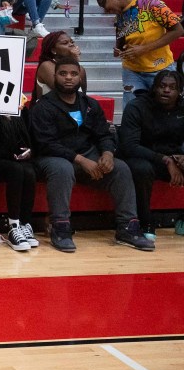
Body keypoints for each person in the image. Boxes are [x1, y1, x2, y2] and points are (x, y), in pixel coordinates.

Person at [31, 57, 154, 252]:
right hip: (54, 157)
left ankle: (127, 228)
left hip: (88, 154)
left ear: (80, 76)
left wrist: (107, 154)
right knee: (62, 169)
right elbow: (45, 144)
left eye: (73, 74)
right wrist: (81, 160)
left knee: (121, 168)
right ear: (54, 77)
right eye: (63, 74)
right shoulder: (43, 107)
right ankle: (60, 227)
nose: (69, 78)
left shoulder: (90, 104)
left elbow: (104, 134)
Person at [118, 69, 184, 240]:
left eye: (172, 87)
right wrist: (166, 160)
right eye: (162, 86)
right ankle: (145, 221)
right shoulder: (137, 106)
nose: (166, 90)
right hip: (141, 156)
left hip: (172, 157)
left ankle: (182, 219)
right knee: (142, 169)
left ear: (180, 92)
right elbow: (129, 146)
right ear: (154, 88)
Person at [97, 0, 183, 104]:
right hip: (132, 71)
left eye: (104, 5)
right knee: (131, 112)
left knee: (163, 112)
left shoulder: (152, 4)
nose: (106, 10)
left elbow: (178, 31)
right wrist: (119, 50)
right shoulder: (120, 16)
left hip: (160, 68)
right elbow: (122, 41)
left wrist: (143, 49)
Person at [0, 107, 38, 252]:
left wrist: (27, 152)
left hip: (13, 161)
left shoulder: (21, 111)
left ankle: (25, 224)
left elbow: (29, 142)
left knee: (29, 171)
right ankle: (13, 226)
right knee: (15, 169)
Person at [33, 31, 89, 100]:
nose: (71, 45)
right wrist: (74, 60)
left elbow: (82, 97)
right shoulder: (46, 66)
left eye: (72, 42)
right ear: (53, 50)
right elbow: (65, 91)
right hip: (49, 110)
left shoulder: (80, 69)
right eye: (65, 43)